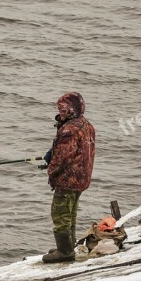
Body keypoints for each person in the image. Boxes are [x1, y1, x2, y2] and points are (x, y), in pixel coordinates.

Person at [42, 92, 96, 263]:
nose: (60, 111)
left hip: (68, 179)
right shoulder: (85, 124)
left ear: (71, 109)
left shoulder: (70, 129)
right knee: (71, 213)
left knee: (60, 214)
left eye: (63, 108)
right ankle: (67, 246)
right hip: (81, 178)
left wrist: (51, 170)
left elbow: (62, 158)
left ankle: (65, 252)